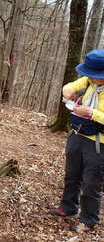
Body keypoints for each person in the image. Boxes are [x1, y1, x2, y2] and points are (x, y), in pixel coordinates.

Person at [50, 49, 104, 232]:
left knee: (92, 182)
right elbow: (71, 85)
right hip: (77, 134)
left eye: (95, 75)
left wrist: (90, 112)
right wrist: (68, 92)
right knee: (72, 173)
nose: (91, 78)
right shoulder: (89, 80)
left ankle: (88, 219)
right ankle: (68, 206)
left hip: (99, 142)